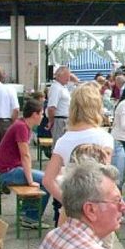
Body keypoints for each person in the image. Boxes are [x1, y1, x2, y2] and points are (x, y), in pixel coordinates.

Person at [44, 82, 114, 227]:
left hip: (71, 212)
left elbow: (48, 180)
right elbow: (106, 179)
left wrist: (69, 202)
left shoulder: (64, 140)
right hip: (97, 210)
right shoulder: (105, 138)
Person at [0, 98, 51, 227]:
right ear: (35, 114)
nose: (42, 116)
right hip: (6, 172)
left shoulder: (22, 124)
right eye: (41, 113)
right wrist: (30, 181)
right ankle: (30, 217)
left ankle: (27, 213)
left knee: (44, 179)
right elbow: (25, 155)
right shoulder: (21, 127)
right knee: (48, 181)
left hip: (7, 170)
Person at [47, 65, 72, 145]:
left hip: (64, 119)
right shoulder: (56, 88)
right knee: (58, 144)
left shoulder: (62, 87)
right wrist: (51, 122)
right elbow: (51, 107)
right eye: (66, 76)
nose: (68, 79)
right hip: (59, 120)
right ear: (59, 76)